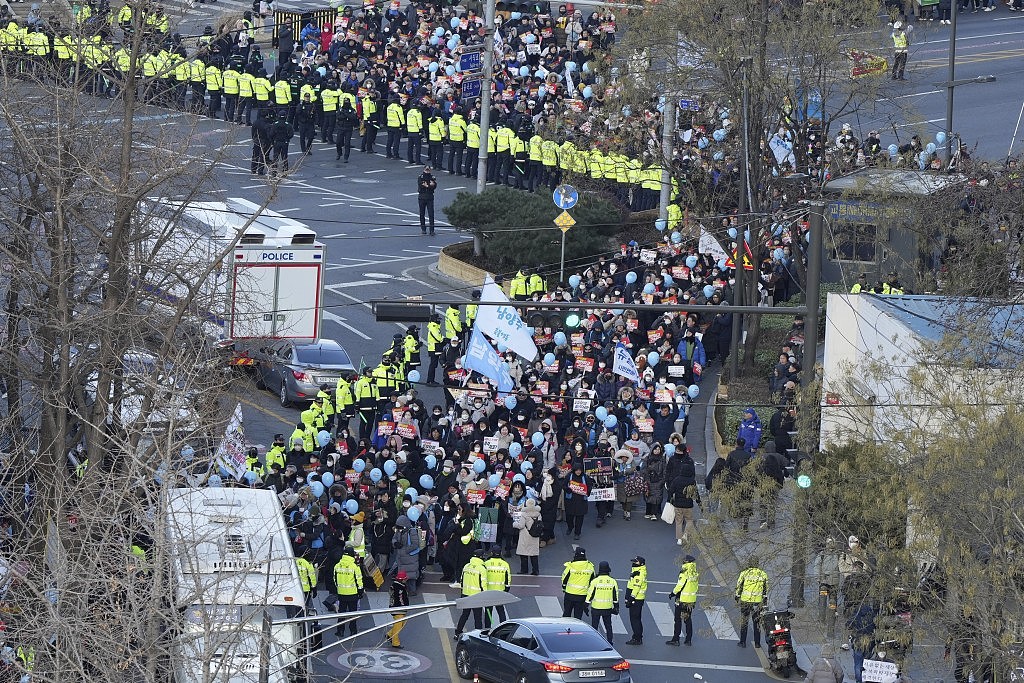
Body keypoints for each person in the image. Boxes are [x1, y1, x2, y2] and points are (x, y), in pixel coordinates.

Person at [735, 555, 768, 648]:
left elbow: (739, 586)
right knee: (757, 622)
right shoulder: (763, 574)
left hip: (745, 601)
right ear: (757, 563)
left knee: (744, 621)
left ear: (749, 563)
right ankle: (757, 643)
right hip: (757, 602)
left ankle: (743, 642)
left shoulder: (744, 573)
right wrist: (765, 600)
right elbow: (766, 589)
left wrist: (737, 596)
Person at [667, 555, 698, 646]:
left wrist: (672, 593)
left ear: (686, 562)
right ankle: (688, 640)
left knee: (677, 619)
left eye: (684, 560)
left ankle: (676, 639)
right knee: (687, 619)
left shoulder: (684, 573)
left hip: (682, 600)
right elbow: (695, 587)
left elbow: (679, 586)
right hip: (690, 600)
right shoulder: (695, 573)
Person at [454, 550, 487, 636]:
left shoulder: (466, 566)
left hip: (465, 595)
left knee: (464, 615)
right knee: (477, 618)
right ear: (481, 557)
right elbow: (483, 585)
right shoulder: (482, 569)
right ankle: (478, 635)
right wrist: (486, 596)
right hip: (477, 596)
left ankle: (457, 633)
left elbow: (462, 580)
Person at [333, 547, 364, 637]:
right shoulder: (354, 567)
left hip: (341, 593)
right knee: (353, 613)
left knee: (341, 613)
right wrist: (360, 591)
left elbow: (335, 579)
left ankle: (340, 631)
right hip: (352, 594)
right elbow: (359, 580)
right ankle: (353, 631)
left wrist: (339, 589)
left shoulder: (337, 566)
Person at [586, 561, 618, 644]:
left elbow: (590, 594)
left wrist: (586, 605)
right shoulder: (612, 581)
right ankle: (610, 641)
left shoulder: (595, 581)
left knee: (594, 626)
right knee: (608, 626)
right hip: (607, 608)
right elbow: (615, 596)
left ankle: (594, 641)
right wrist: (616, 606)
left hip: (596, 608)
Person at [815, 537, 842, 637]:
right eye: (829, 543)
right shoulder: (822, 554)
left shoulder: (838, 554)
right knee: (822, 601)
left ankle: (832, 617)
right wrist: (818, 578)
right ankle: (821, 619)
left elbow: (841, 568)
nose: (830, 545)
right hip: (824, 583)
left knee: (832, 602)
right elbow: (817, 566)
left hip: (834, 584)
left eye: (832, 543)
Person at [561, 546, 594, 619]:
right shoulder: (590, 566)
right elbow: (592, 581)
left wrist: (564, 588)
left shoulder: (571, 565)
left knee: (566, 614)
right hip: (582, 596)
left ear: (576, 555)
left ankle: (565, 628)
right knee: (578, 617)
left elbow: (564, 579)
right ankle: (576, 629)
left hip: (569, 594)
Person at [513, 497, 541, 575]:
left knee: (523, 554)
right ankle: (535, 570)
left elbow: (521, 525)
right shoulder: (538, 514)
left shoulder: (524, 514)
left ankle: (524, 569)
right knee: (534, 554)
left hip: (525, 536)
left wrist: (514, 524)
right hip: (535, 536)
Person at [484, 547, 511, 626]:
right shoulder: (505, 564)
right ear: (501, 553)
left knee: (488, 611)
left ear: (491, 553)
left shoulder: (486, 563)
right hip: (500, 592)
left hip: (488, 591)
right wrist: (506, 590)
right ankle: (503, 627)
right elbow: (508, 579)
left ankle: (488, 628)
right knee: (501, 611)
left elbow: (483, 577)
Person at [624, 556, 647, 645]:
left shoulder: (639, 573)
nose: (633, 563)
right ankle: (638, 637)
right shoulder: (636, 571)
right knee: (636, 619)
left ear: (641, 563)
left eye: (635, 562)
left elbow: (636, 587)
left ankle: (637, 638)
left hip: (636, 599)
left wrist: (631, 598)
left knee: (635, 619)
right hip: (637, 598)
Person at [386, 570, 410, 648]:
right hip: (399, 608)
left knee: (401, 623)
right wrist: (405, 607)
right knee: (398, 625)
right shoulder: (399, 588)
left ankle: (389, 634)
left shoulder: (397, 586)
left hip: (396, 608)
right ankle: (395, 642)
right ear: (402, 579)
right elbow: (401, 599)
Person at [417, 166, 437, 235]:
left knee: (431, 214)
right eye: (426, 170)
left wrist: (427, 186)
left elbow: (434, 186)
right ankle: (423, 229)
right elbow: (421, 185)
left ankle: (432, 230)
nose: (427, 171)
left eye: (428, 170)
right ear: (424, 170)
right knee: (422, 214)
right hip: (422, 197)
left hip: (430, 197)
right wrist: (429, 186)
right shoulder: (421, 177)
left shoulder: (432, 177)